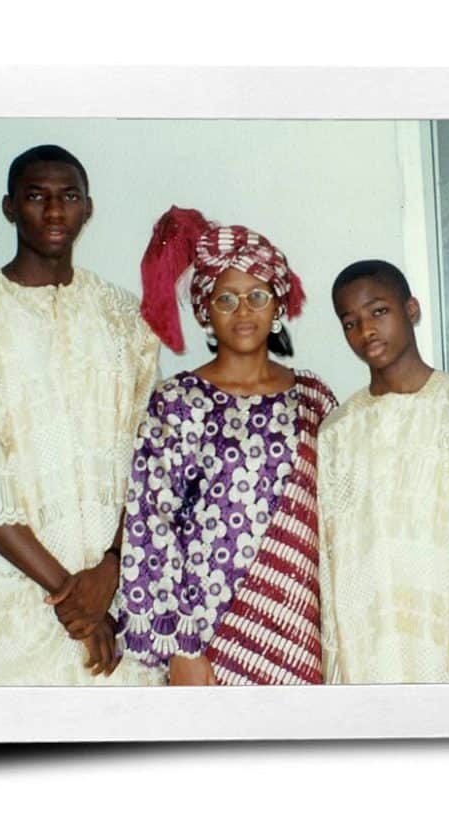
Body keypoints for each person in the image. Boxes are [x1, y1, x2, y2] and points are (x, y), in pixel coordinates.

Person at [0, 144, 161, 685]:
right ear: (9, 207)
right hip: (16, 599)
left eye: (69, 197)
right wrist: (73, 599)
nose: (54, 212)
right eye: (36, 197)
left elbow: (150, 458)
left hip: (122, 590)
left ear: (88, 208)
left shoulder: (125, 317)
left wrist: (111, 570)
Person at [115, 207, 337, 685]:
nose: (243, 311)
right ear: (205, 312)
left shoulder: (313, 398)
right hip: (207, 635)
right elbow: (150, 524)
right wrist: (181, 646)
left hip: (298, 626)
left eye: (257, 296)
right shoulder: (176, 402)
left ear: (277, 307)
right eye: (226, 299)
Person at [316, 260, 449, 684]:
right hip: (365, 642)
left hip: (444, 637)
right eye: (350, 323)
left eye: (379, 311)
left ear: (412, 310)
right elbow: (329, 553)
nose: (366, 330)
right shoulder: (338, 431)